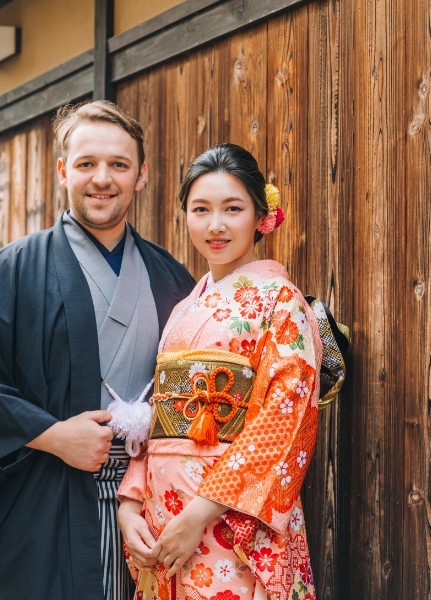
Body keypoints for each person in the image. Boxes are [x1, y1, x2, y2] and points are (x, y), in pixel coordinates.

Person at [0, 100, 196, 600]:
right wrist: (51, 434)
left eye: (119, 164)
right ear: (62, 171)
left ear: (141, 175)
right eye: (86, 164)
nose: (103, 178)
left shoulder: (171, 277)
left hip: (151, 504)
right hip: (46, 500)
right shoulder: (13, 270)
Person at [116, 144, 322, 599]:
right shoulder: (185, 309)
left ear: (260, 216)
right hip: (162, 513)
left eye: (233, 208)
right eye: (201, 209)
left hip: (228, 518)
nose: (216, 225)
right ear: (185, 216)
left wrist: (197, 516)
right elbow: (161, 413)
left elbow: (285, 421)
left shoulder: (281, 302)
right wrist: (131, 503)